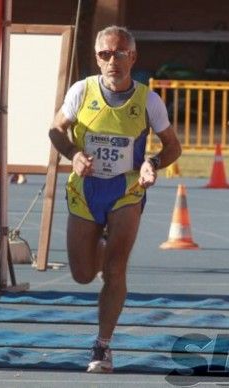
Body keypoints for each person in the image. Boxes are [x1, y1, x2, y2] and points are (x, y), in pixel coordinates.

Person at [49, 25, 181, 373]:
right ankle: (103, 242)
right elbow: (56, 129)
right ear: (97, 58)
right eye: (105, 55)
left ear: (132, 57)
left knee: (115, 269)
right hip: (85, 190)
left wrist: (151, 164)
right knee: (81, 274)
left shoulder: (148, 100)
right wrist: (74, 154)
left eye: (120, 53)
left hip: (126, 190)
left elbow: (173, 145)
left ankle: (102, 347)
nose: (113, 61)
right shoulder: (82, 91)